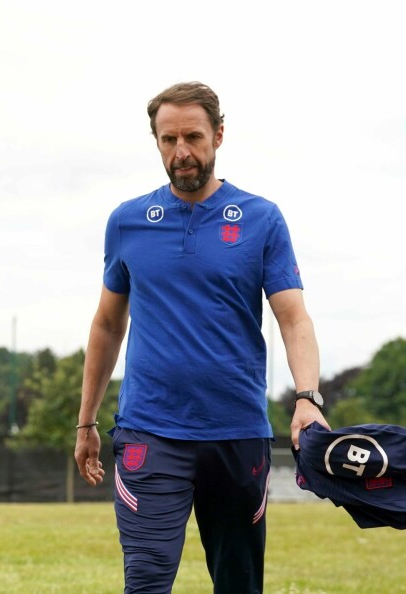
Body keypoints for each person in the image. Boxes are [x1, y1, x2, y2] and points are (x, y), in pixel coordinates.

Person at [74, 81, 329, 593]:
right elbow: (106, 324)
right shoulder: (127, 222)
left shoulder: (261, 219)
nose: (181, 152)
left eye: (192, 137)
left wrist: (307, 397)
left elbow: (293, 318)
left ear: (218, 135)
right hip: (151, 431)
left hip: (236, 433)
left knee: (238, 585)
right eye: (168, 140)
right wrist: (86, 423)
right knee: (145, 582)